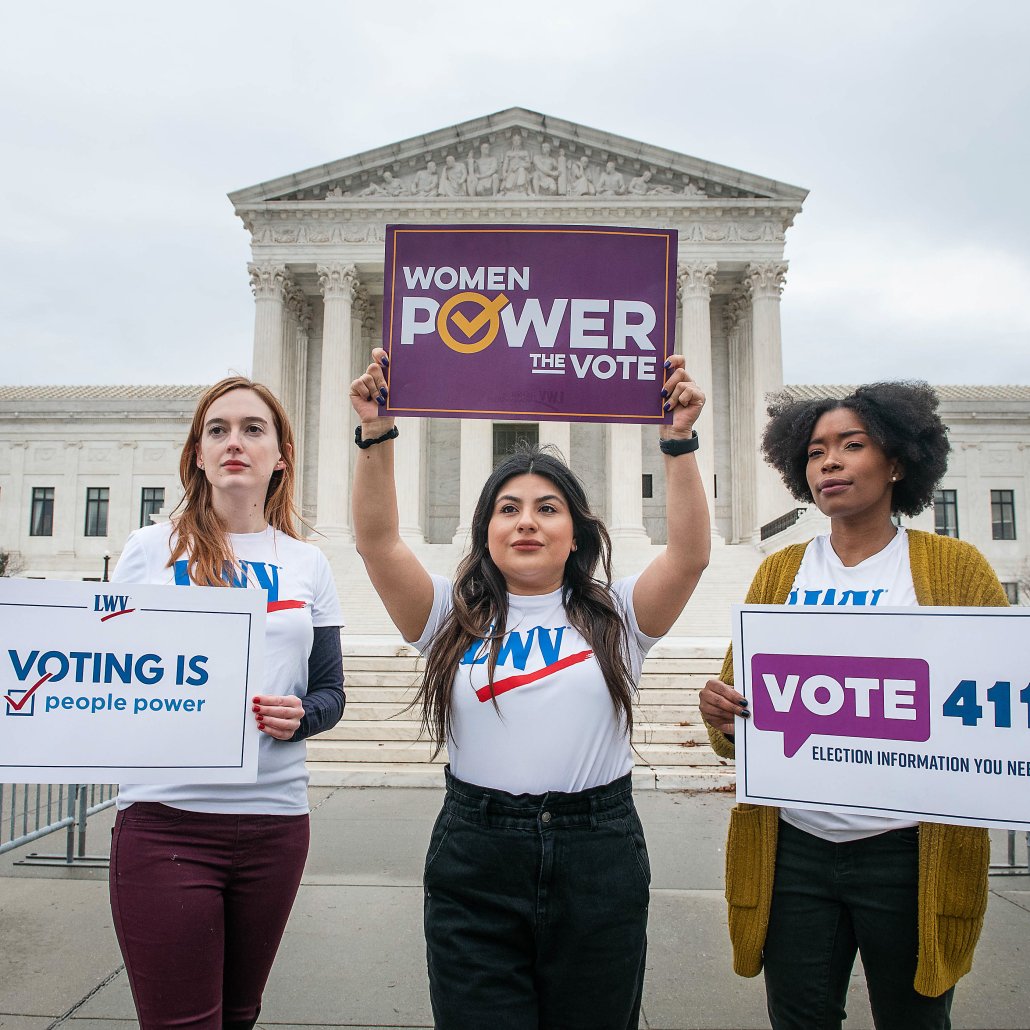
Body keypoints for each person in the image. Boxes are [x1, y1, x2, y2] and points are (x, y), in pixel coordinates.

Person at [350, 348, 710, 1029]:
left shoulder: (619, 617)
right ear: (486, 532)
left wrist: (679, 441)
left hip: (596, 852)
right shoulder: (447, 618)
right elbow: (375, 543)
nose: (526, 520)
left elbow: (689, 557)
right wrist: (375, 430)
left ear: (574, 533)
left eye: (547, 508)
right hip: (476, 855)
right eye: (508, 508)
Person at [699, 381, 1008, 1030]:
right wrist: (721, 712)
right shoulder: (780, 573)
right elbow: (739, 723)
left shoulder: (955, 569)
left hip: (907, 853)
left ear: (897, 462)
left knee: (915, 1021)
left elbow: (995, 704)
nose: (829, 463)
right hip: (795, 851)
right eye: (815, 452)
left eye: (851, 445)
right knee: (800, 1019)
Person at [108, 376, 345, 1030]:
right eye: (218, 430)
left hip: (274, 823)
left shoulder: (307, 564)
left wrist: (302, 718)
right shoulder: (150, 552)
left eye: (251, 429)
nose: (233, 442)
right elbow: (111, 672)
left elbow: (330, 693)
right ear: (198, 455)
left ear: (281, 456)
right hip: (166, 819)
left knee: (240, 1015)